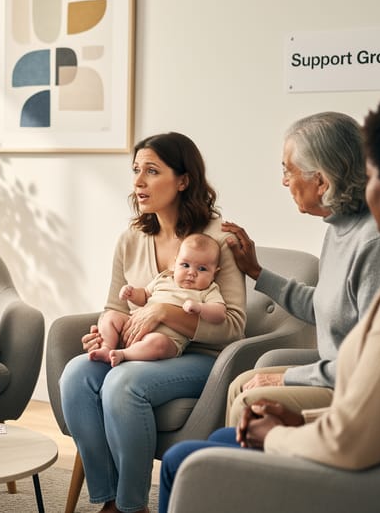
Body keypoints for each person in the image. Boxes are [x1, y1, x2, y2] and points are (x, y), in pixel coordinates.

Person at [158, 83, 380, 513]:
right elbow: (374, 398)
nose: (363, 184)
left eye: (373, 172)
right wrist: (257, 272)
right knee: (226, 434)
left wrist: (278, 431)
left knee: (185, 462)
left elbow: (355, 435)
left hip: (364, 476)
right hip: (371, 443)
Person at [59, 132, 247, 513]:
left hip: (201, 357)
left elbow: (234, 326)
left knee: (123, 385)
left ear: (183, 180)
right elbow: (114, 305)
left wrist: (163, 312)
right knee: (76, 376)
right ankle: (109, 499)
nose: (138, 182)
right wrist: (103, 335)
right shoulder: (131, 237)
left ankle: (132, 506)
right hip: (138, 348)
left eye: (151, 171)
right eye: (135, 171)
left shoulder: (217, 239)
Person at [221, 112, 380, 426]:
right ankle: (235, 470)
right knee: (240, 386)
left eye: (288, 169)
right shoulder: (340, 227)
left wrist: (292, 378)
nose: (284, 180)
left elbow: (376, 359)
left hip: (362, 390)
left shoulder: (378, 243)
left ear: (321, 181)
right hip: (338, 374)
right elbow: (327, 307)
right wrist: (256, 272)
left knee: (252, 399)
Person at [90, 233, 226, 366]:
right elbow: (144, 295)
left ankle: (124, 354)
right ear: (175, 262)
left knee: (158, 343)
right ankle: (106, 347)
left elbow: (220, 313)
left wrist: (200, 308)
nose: (191, 272)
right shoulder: (164, 279)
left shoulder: (207, 290)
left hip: (168, 339)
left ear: (215, 273)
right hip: (135, 324)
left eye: (202, 269)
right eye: (185, 265)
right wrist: (131, 293)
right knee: (111, 317)